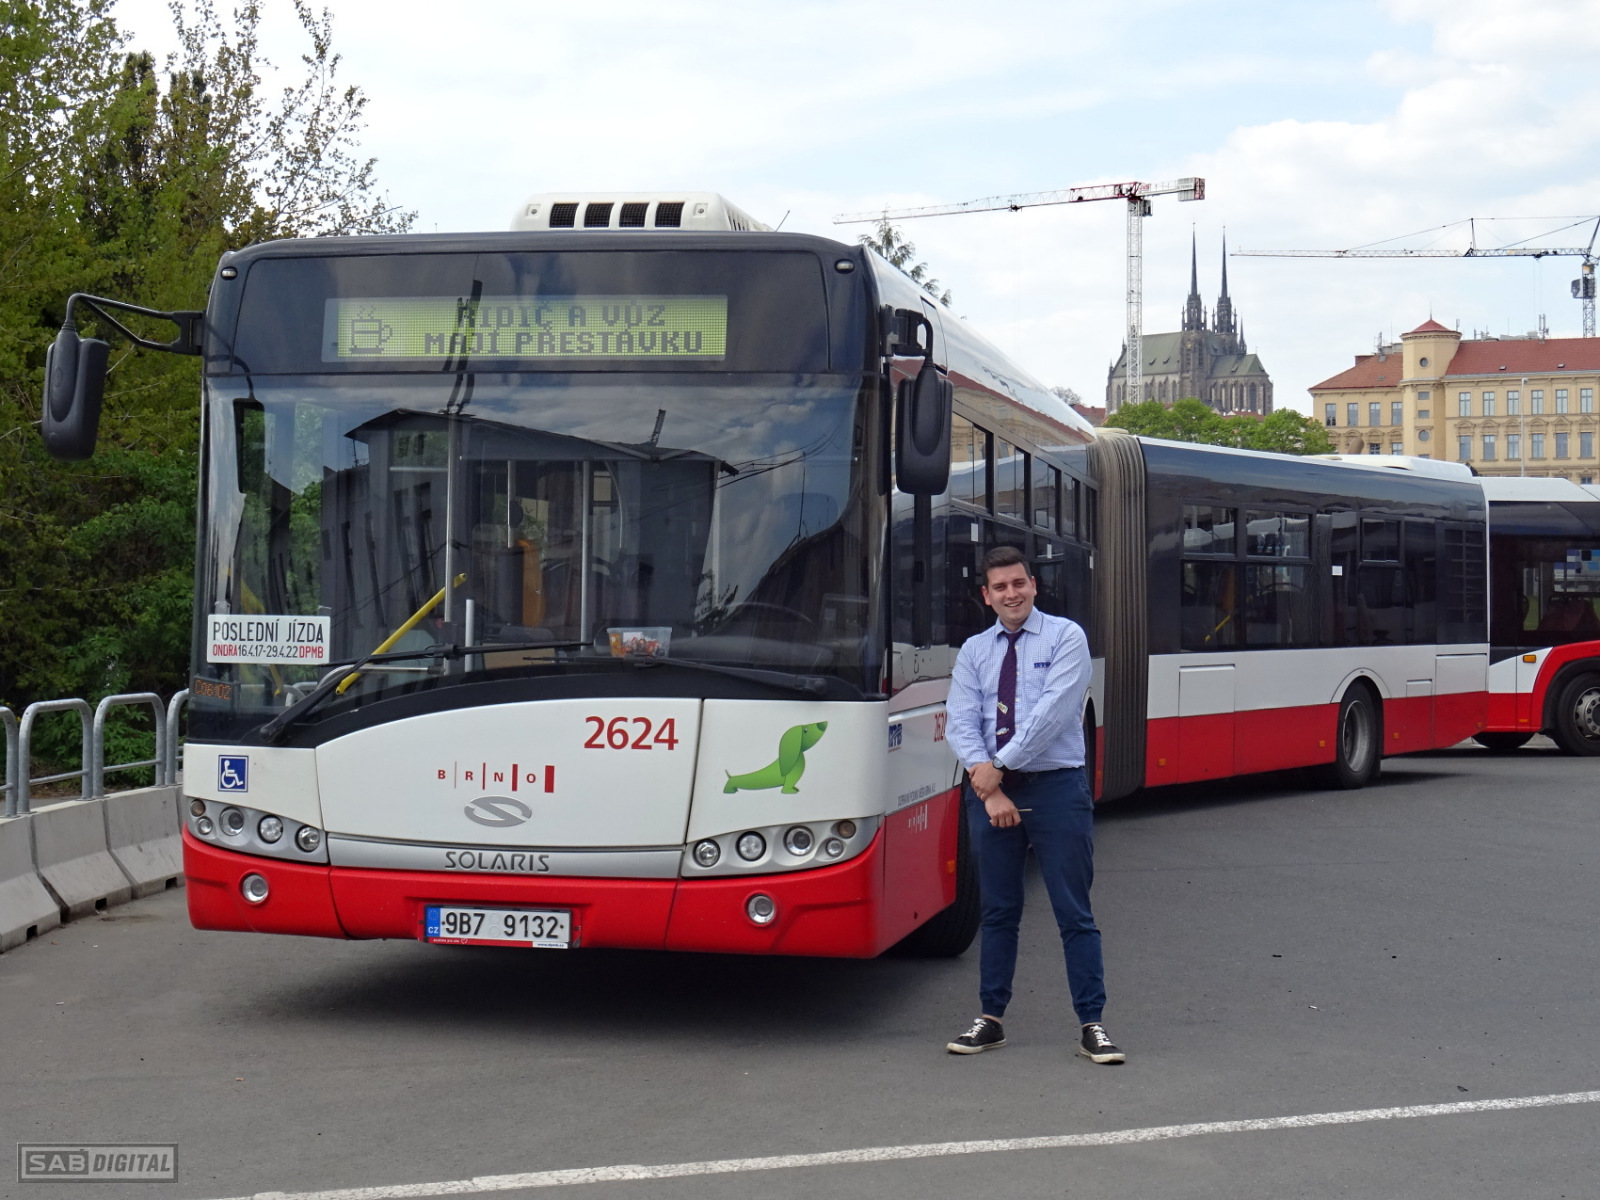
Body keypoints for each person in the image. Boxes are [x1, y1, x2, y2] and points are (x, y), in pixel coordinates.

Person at [942, 545, 1123, 1064]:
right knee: (998, 911)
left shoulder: (1066, 637)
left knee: (1073, 911)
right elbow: (960, 719)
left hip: (1056, 789)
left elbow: (1054, 713)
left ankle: (1092, 1024)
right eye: (1000, 587)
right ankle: (990, 1019)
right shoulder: (974, 650)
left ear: (1034, 586)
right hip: (991, 793)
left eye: (1019, 583)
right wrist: (991, 786)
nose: (1011, 594)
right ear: (986, 596)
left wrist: (997, 766)